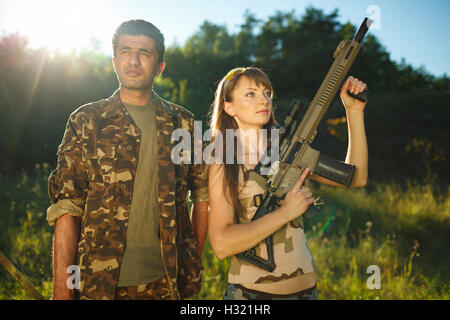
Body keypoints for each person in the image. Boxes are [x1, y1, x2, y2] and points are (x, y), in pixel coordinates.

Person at [47, 20, 209, 300]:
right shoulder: (85, 121)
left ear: (159, 66)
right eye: (125, 51)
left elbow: (203, 197)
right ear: (114, 61)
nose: (133, 60)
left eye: (145, 53)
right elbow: (67, 207)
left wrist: (191, 261)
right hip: (96, 283)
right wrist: (63, 288)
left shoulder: (183, 124)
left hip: (166, 283)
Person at [207, 67, 368, 300]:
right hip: (251, 295)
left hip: (307, 292)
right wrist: (285, 213)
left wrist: (354, 112)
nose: (263, 99)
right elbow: (222, 245)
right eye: (250, 94)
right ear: (228, 107)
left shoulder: (286, 150)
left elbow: (356, 178)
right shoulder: (224, 162)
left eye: (267, 93)